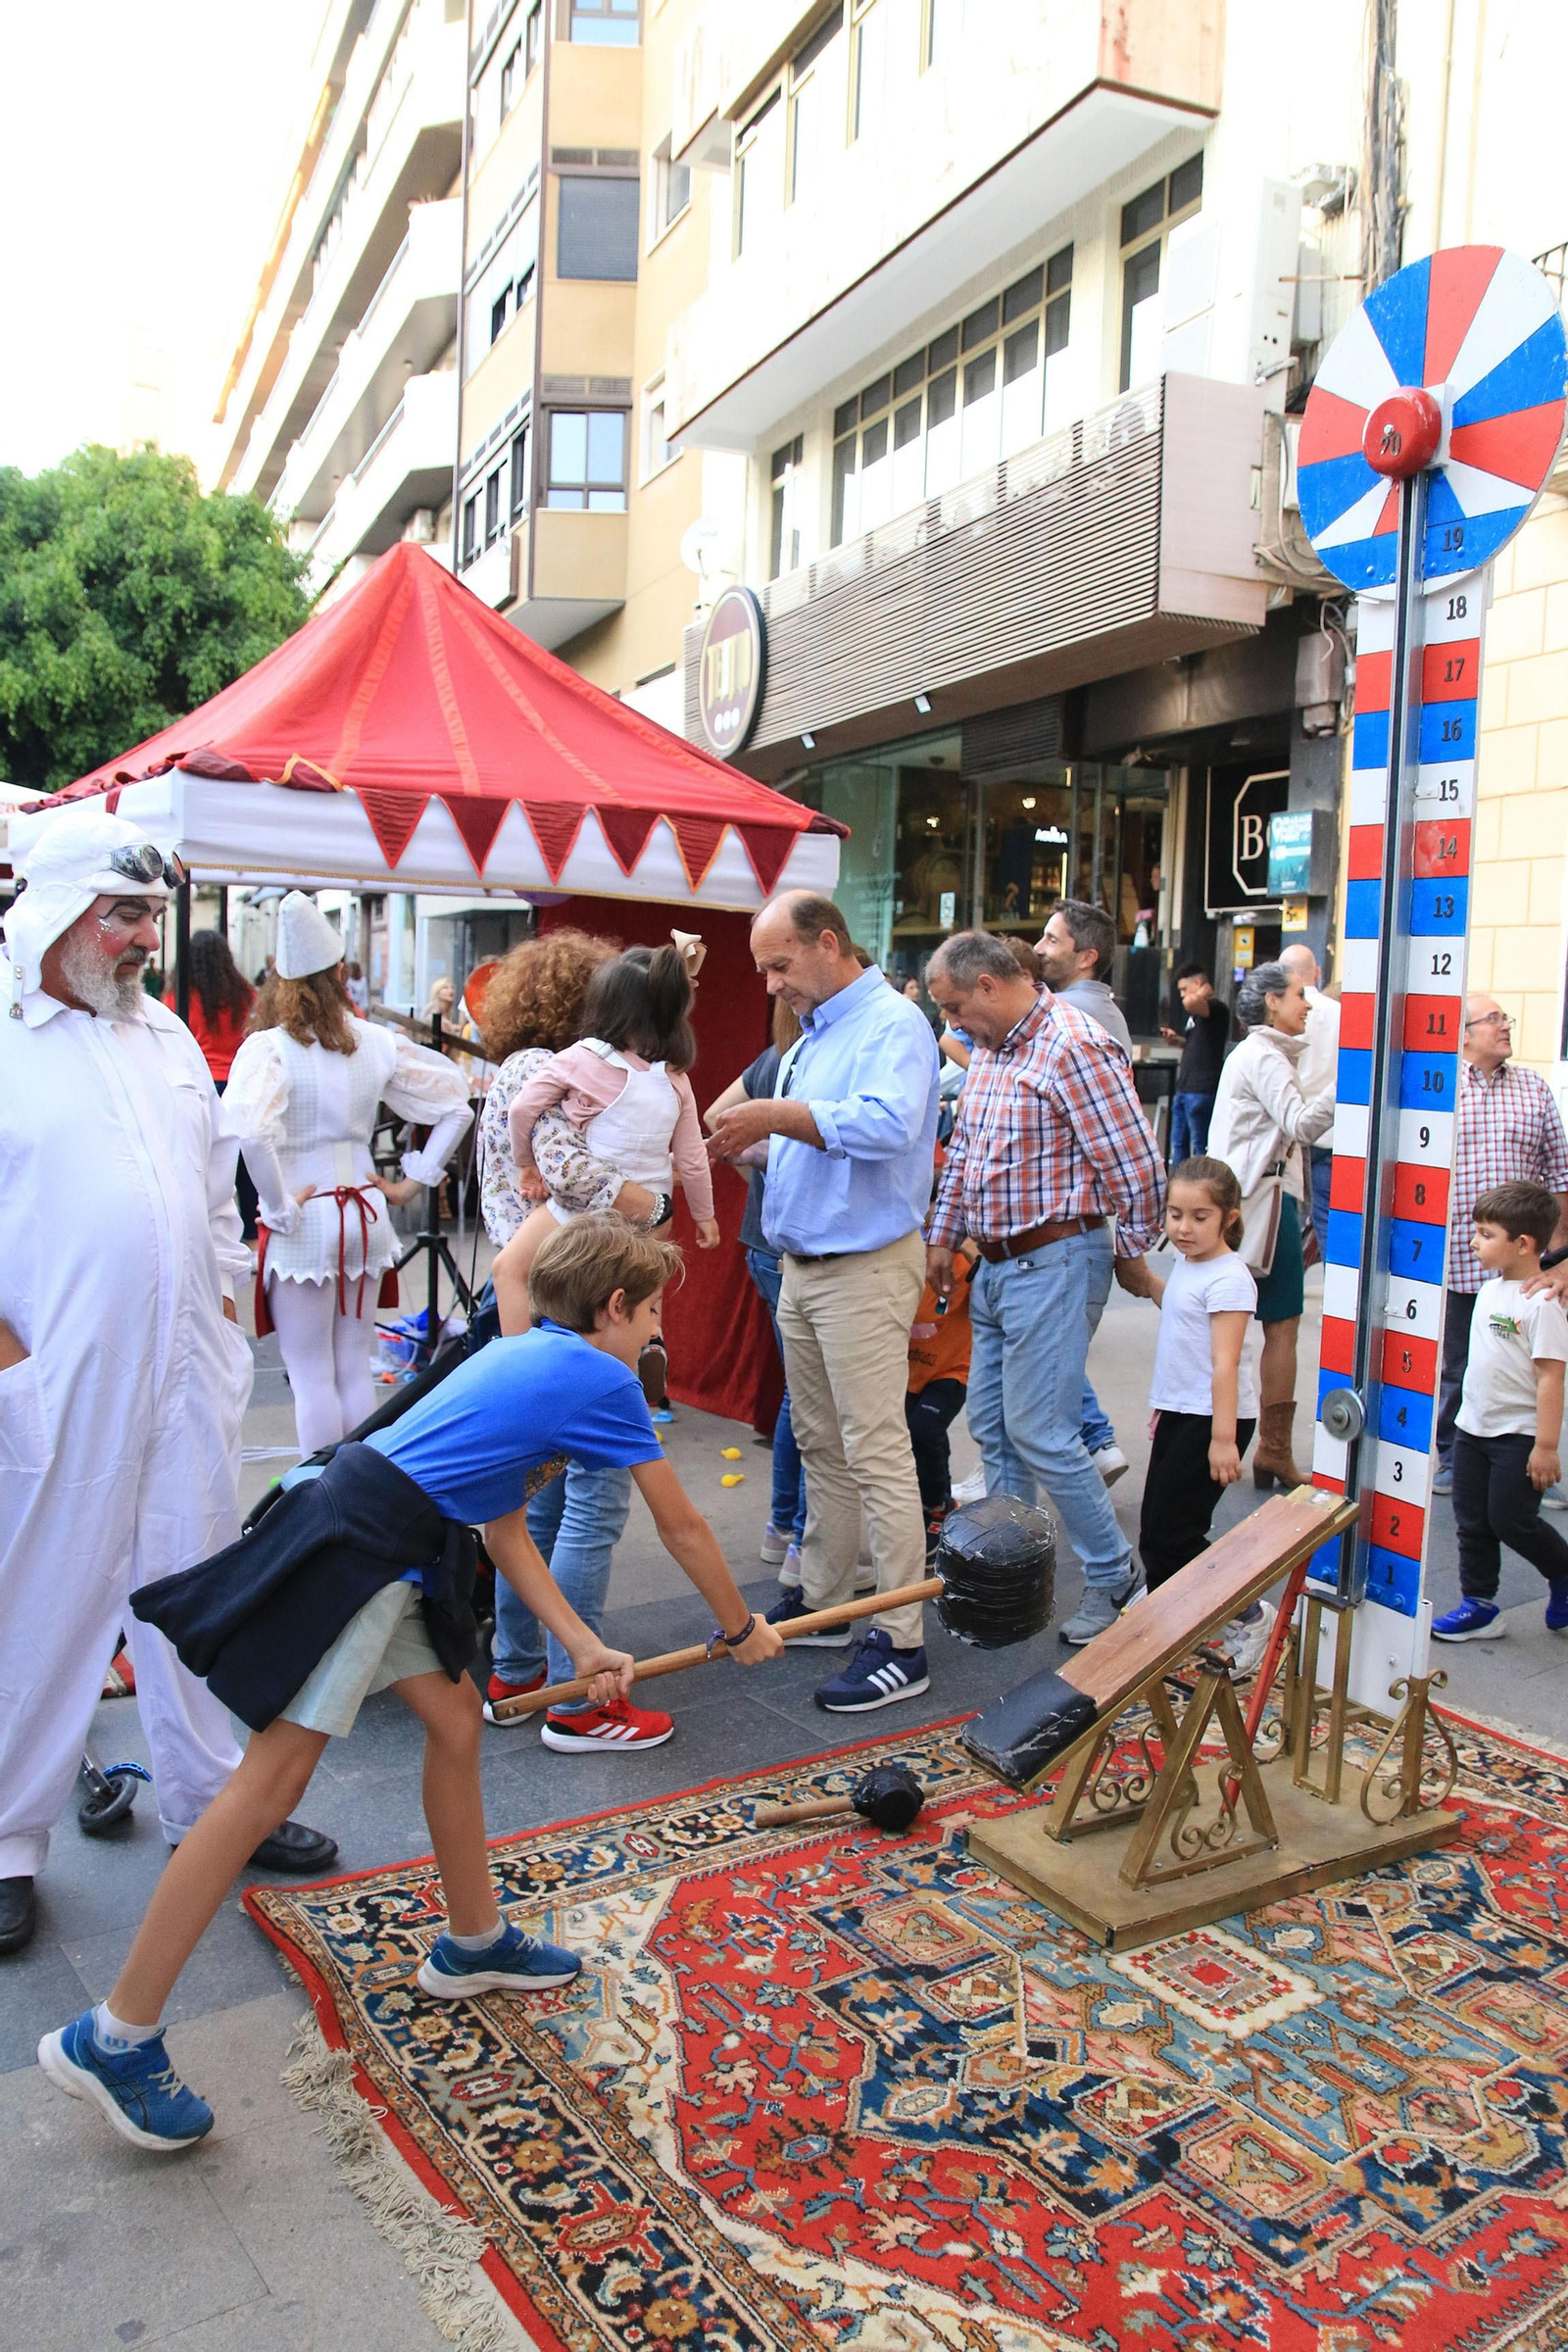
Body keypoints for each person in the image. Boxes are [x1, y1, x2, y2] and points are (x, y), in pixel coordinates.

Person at [37, 1217, 785, 2150]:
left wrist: (584, 1645)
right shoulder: (597, 1374)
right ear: (615, 1307)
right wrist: (739, 1625)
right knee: (266, 1787)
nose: (656, 1336)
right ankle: (117, 2033)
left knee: (457, 1723)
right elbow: (683, 1527)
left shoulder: (533, 1355)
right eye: (653, 1315)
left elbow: (503, 1528)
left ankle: (472, 1942)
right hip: (367, 1553)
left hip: (385, 1535)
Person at [0, 816, 333, 1960]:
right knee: (40, 1602)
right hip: (56, 1377)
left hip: (188, 1374)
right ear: (53, 913)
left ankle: (211, 1807)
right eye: (123, 913)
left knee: (195, 1587)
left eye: (152, 915)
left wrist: (228, 1318)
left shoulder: (170, 1043)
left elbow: (209, 1193)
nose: (149, 938)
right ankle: (7, 1842)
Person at [708, 891, 941, 1711]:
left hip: (863, 1266)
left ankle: (901, 1636)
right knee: (820, 1443)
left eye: (780, 966)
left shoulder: (892, 1024)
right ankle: (831, 1601)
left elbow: (886, 1127)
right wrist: (757, 1145)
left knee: (875, 1450)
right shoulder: (821, 1031)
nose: (772, 985)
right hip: (808, 1265)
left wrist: (774, 1115)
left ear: (828, 945)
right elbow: (829, 1145)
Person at [923, 930, 1165, 1644]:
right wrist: (944, 1233)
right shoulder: (999, 1048)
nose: (952, 1025)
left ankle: (1117, 1578)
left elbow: (1138, 1167)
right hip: (1001, 1265)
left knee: (1042, 1431)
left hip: (1055, 1261)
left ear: (992, 986)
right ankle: (1010, 1580)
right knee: (997, 1430)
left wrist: (1127, 1251)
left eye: (955, 1007)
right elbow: (967, 1150)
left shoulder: (1073, 1044)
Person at [476, 928, 679, 1750]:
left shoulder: (524, 1073)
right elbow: (573, 1177)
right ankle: (578, 1700)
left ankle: (518, 1675)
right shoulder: (559, 1075)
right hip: (573, 1321)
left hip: (539, 1317)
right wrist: (652, 1205)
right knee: (590, 1508)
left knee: (539, 1512)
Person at [224, 893, 473, 1456]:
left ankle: (321, 1496)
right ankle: (359, 1490)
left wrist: (278, 1205)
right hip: (365, 1212)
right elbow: (457, 1104)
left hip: (307, 1217)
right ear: (339, 973)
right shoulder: (375, 1043)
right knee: (353, 1368)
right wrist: (415, 1179)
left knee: (311, 1373)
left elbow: (250, 1133)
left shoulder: (270, 1049)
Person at [493, 942, 719, 1327]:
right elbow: (693, 1158)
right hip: (653, 1216)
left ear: (606, 1005)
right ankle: (646, 1357)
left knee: (511, 1271)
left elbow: (521, 1110)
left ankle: (521, 1369)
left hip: (587, 1210)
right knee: (640, 1310)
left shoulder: (581, 1060)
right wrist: (705, 1216)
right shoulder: (675, 1080)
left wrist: (526, 1165)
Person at [1134, 1155, 1269, 1671]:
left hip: (1214, 1418)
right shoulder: (1191, 1266)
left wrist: (1223, 1439)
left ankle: (1248, 1617)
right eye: (1175, 1215)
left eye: (1199, 1217)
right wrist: (1148, 1282)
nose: (1184, 1228)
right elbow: (1183, 1321)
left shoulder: (1231, 1278)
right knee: (1155, 1527)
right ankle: (1170, 1605)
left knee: (1174, 1533)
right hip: (1182, 1411)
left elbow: (1225, 1365)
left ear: (1228, 1217)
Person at [1433, 994, 1568, 1495]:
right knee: (1460, 1362)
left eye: (1504, 1018)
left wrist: (1558, 1255)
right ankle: (1455, 1456)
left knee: (1535, 1361)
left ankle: (1537, 1462)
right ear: (1462, 1034)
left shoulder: (1534, 1088)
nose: (1504, 1026)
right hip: (1462, 1255)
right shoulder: (1440, 1089)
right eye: (1492, 1020)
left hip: (1527, 1263)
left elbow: (1560, 1171)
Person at [1207, 960, 1335, 1490]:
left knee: (1238, 1326)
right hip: (1265, 1205)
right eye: (1300, 995)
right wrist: (1351, 1081)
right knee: (1279, 1326)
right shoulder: (1266, 1056)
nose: (1309, 1005)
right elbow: (1302, 1123)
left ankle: (1250, 1446)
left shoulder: (1255, 1052)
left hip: (1250, 1202)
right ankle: (1269, 1450)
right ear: (1272, 1003)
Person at [705, 996, 811, 1586]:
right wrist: (769, 1168)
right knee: (809, 1393)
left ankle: (785, 1528)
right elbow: (718, 1120)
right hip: (782, 1248)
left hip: (765, 1243)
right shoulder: (788, 1059)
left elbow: (717, 1117)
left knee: (803, 1390)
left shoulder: (776, 1057)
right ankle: (792, 1530)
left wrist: (761, 1170)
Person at [1433, 1183, 1568, 1642]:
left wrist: (1546, 1447)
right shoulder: (1488, 1292)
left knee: (1511, 1520)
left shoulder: (1542, 1304)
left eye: (1485, 1234)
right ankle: (1480, 1605)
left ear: (1523, 1244)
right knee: (1471, 1522)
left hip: (1518, 1436)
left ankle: (1564, 1575)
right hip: (1472, 1430)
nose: (1473, 1242)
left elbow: (1551, 1377)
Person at [1034, 898, 1133, 1486]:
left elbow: (1128, 1149)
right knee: (1040, 1371)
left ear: (1086, 955)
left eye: (1052, 938)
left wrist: (1138, 1247)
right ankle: (1089, 1446)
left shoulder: (1068, 1021)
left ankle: (1114, 1570)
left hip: (1063, 1229)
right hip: (1072, 1227)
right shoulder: (1095, 1013)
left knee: (1042, 1375)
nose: (1041, 947)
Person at [168, 928, 260, 1238]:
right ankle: (249, 1234)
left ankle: (208, 1235)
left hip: (202, 1087)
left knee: (203, 1168)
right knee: (247, 1167)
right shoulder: (245, 994)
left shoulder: (180, 996)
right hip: (241, 1085)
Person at [906, 1239, 977, 1558]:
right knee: (920, 1437)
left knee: (924, 1428)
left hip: (952, 1370)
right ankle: (936, 1497)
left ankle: (939, 1505)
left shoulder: (967, 1256)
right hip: (909, 1370)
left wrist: (964, 1245)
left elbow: (995, 1285)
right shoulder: (908, 1250)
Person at [1279, 943, 1339, 1252]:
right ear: (1317, 972)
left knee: (1284, 1217)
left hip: (1291, 1131)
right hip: (1332, 1132)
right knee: (1328, 1220)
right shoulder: (1340, 1013)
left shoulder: (1282, 1016)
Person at [1160, 961, 1231, 1162]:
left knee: (1200, 1146)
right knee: (1178, 1145)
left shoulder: (1216, 1008)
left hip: (1202, 1089)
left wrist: (1200, 993)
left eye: (1184, 989)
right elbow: (1199, 1044)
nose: (1182, 994)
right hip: (1184, 1087)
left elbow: (1189, 1002)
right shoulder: (1197, 1017)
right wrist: (1178, 1041)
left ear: (1198, 983)